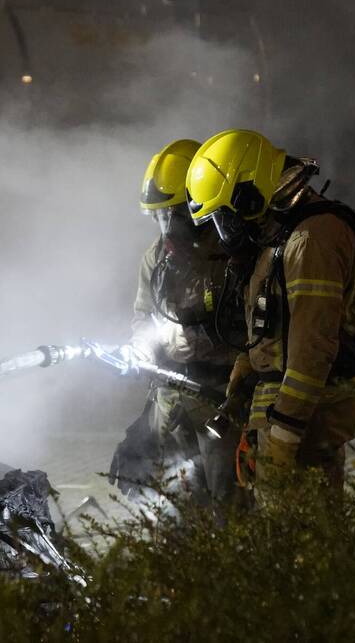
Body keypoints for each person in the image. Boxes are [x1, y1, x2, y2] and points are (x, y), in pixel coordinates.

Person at [185, 129, 355, 491]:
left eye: (225, 217)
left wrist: (284, 437)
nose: (225, 232)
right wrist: (247, 374)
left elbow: (312, 350)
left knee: (303, 525)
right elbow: (273, 328)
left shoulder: (311, 239)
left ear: (248, 194)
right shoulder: (280, 234)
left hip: (306, 420)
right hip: (284, 411)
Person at [108, 139, 240, 506]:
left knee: (229, 502)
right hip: (172, 400)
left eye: (173, 214)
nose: (166, 226)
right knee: (179, 502)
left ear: (196, 206)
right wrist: (138, 349)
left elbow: (253, 331)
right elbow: (142, 316)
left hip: (221, 400)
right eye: (159, 216)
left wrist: (204, 340)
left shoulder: (231, 254)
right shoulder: (155, 258)